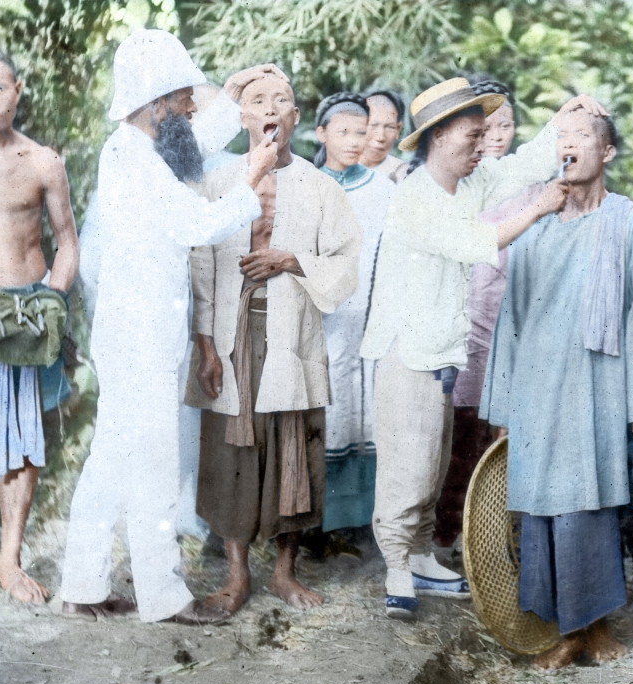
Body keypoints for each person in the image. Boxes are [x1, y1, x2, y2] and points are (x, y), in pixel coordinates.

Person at [58, 29, 280, 624]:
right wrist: (255, 173)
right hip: (139, 335)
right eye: (183, 95)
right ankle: (164, 597)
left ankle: (81, 584)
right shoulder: (136, 160)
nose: (190, 104)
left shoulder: (135, 145)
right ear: (154, 101)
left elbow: (189, 144)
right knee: (152, 461)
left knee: (111, 454)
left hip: (133, 330)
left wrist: (231, 96)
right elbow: (197, 224)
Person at [360, 77, 601, 620]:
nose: (481, 144)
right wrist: (538, 209)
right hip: (407, 349)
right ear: (440, 136)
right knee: (408, 462)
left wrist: (560, 122)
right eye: (472, 135)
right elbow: (476, 242)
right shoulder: (416, 196)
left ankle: (422, 554)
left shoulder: (468, 183)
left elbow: (518, 167)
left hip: (442, 348)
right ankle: (397, 562)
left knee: (435, 457)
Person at [481, 106, 633, 669]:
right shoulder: (534, 225)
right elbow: (511, 318)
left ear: (607, 152)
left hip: (597, 386)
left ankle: (595, 627)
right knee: (545, 508)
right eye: (561, 138)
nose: (569, 146)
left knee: (589, 505)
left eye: (582, 137)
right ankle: (564, 631)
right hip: (538, 390)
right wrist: (503, 403)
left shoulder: (630, 223)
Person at [186, 72, 362, 614]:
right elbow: (198, 263)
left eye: (282, 100)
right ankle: (237, 575)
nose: (271, 109)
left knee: (293, 446)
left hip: (291, 333)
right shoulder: (217, 183)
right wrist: (206, 346)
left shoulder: (318, 186)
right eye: (258, 101)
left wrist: (292, 261)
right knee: (231, 449)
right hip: (230, 333)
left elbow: (346, 262)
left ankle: (284, 573)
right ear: (240, 117)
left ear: (294, 117)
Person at [0, 49, 79, 603]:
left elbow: (68, 243)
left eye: (0, 88)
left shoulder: (42, 161)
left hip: (23, 308)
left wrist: (52, 297)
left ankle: (10, 558)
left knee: (22, 435)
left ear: (18, 89)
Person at [434, 76, 537, 548]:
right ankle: (447, 536)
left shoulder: (529, 183)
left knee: (509, 433)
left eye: (507, 124)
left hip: (515, 321)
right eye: (487, 127)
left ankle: (497, 538)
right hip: (464, 323)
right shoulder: (459, 182)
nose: (498, 135)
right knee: (463, 433)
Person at [311, 92, 394, 541]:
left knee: (365, 414)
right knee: (328, 408)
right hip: (322, 319)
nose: (354, 141)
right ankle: (316, 525)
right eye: (342, 132)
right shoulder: (305, 183)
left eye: (361, 132)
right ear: (321, 133)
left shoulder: (382, 189)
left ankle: (360, 523)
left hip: (368, 315)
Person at [361, 89, 408, 183]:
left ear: (398, 129)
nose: (380, 137)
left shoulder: (405, 175)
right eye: (373, 125)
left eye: (390, 127)